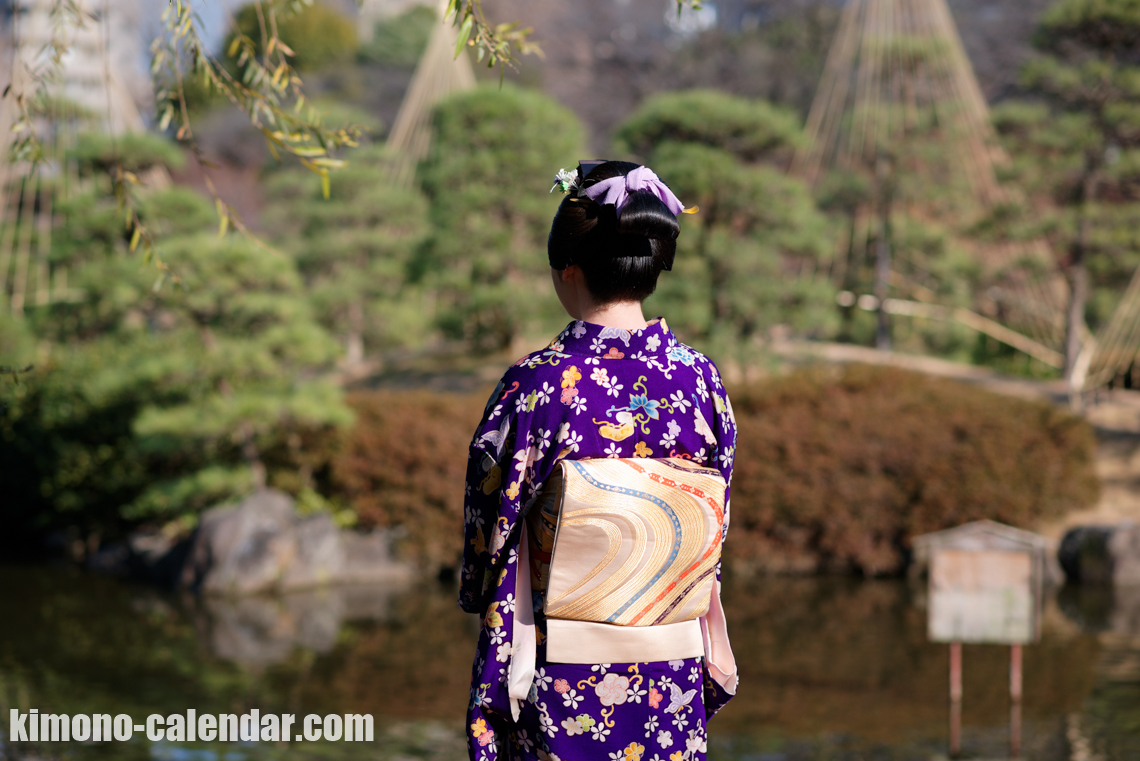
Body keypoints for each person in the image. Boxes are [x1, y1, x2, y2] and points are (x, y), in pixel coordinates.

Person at [459, 160, 737, 761]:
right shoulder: (700, 380)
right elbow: (715, 521)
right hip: (672, 665)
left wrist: (479, 586)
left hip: (561, 668)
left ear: (569, 271)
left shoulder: (537, 385)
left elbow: (491, 528)